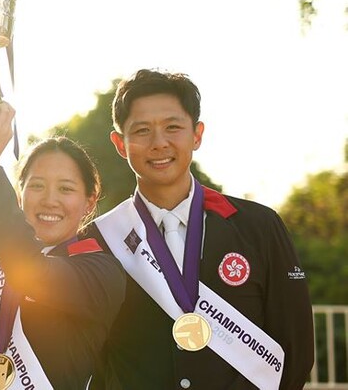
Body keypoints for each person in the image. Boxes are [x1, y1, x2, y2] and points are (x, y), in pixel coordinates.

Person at [86, 68, 314, 390]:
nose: (159, 143)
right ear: (120, 144)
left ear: (197, 134)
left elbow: (295, 352)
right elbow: (94, 361)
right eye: (141, 131)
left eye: (173, 127)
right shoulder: (101, 240)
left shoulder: (259, 227)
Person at [0, 103, 127, 390]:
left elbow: (31, 271)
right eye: (37, 186)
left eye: (66, 189)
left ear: (89, 202)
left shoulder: (101, 270)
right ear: (19, 194)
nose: (49, 200)